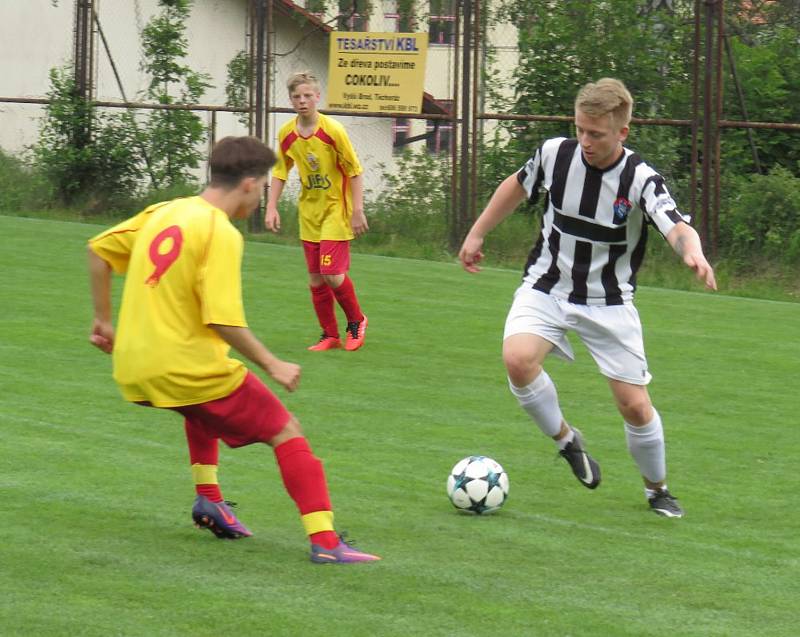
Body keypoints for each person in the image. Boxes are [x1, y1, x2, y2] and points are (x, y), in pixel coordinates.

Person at [87, 136, 379, 563]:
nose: (261, 198)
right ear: (247, 183)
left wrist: (103, 320)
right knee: (286, 430)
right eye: (263, 188)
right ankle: (327, 543)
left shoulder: (166, 210)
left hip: (133, 364)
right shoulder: (219, 232)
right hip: (184, 366)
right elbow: (222, 319)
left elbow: (98, 252)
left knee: (198, 406)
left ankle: (209, 499)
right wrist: (272, 362)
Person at [459, 78, 717, 518]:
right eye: (580, 129)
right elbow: (516, 186)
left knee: (634, 406)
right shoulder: (554, 154)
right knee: (517, 360)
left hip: (609, 302)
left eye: (596, 134)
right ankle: (567, 442)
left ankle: (657, 489)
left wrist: (691, 250)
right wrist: (477, 232)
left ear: (622, 132)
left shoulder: (639, 177)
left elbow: (674, 223)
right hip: (547, 285)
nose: (585, 141)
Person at [265, 71, 369, 352]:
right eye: (297, 96)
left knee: (331, 273)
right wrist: (272, 206)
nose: (302, 101)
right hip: (309, 212)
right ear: (290, 100)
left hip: (337, 209)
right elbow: (280, 171)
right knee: (315, 277)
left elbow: (354, 172)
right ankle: (329, 335)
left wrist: (357, 209)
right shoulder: (287, 133)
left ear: (317, 97)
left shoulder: (333, 131)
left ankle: (357, 321)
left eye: (307, 95)